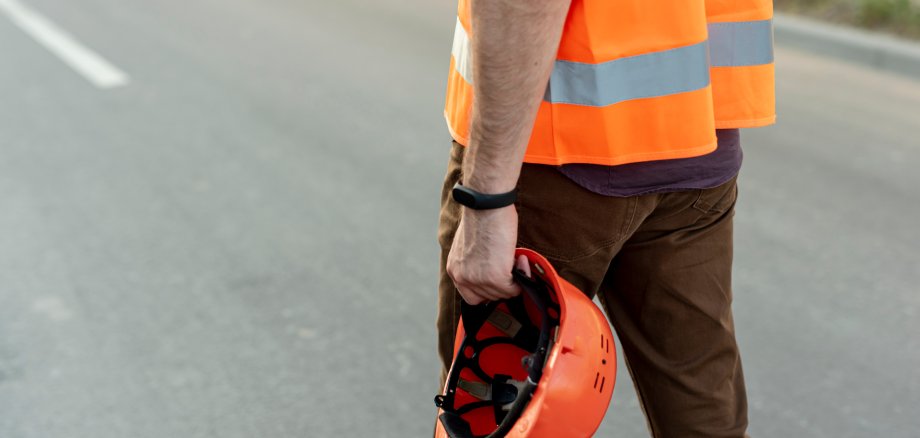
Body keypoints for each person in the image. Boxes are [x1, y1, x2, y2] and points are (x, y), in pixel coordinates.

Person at [436, 0, 775, 436]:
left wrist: (487, 200)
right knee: (700, 412)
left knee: (491, 415)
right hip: (696, 142)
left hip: (552, 162)